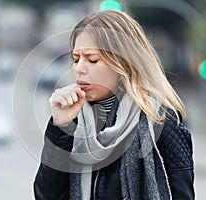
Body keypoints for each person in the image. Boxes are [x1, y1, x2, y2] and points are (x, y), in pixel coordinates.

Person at [34, 10, 194, 200]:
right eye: (76, 59)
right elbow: (46, 196)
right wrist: (60, 127)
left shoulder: (161, 123)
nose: (79, 68)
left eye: (92, 59)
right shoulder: (72, 123)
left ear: (124, 62)